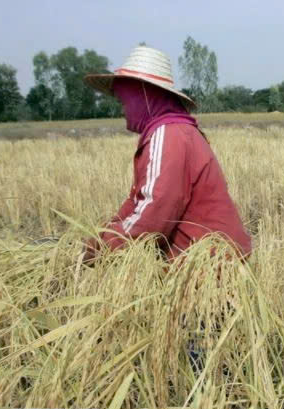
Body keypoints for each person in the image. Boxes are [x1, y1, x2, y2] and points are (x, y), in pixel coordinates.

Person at [82, 46, 251, 263]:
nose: (124, 109)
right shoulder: (175, 129)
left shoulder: (168, 134)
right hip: (211, 257)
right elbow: (138, 199)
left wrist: (104, 247)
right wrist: (106, 231)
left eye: (126, 101)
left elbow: (154, 213)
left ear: (144, 94)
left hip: (207, 264)